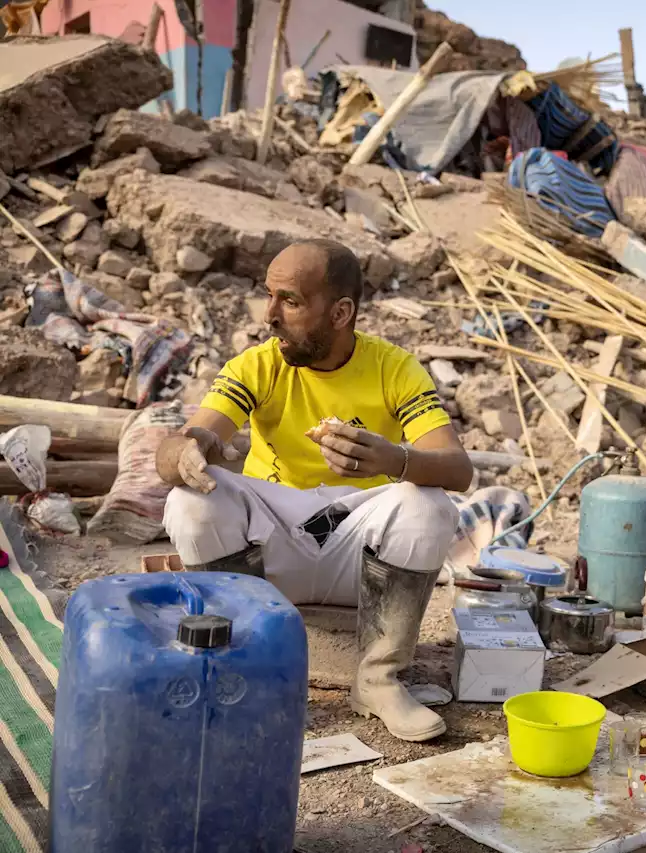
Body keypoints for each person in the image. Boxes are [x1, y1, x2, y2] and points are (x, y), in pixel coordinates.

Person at [155, 239, 473, 743]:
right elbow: (185, 442)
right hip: (268, 554)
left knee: (429, 505)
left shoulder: (395, 369)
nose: (270, 316)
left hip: (360, 557)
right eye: (270, 296)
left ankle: (377, 680)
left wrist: (393, 459)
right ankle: (245, 675)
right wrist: (184, 453)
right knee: (191, 501)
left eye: (291, 301)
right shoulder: (256, 366)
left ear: (341, 312)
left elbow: (459, 470)